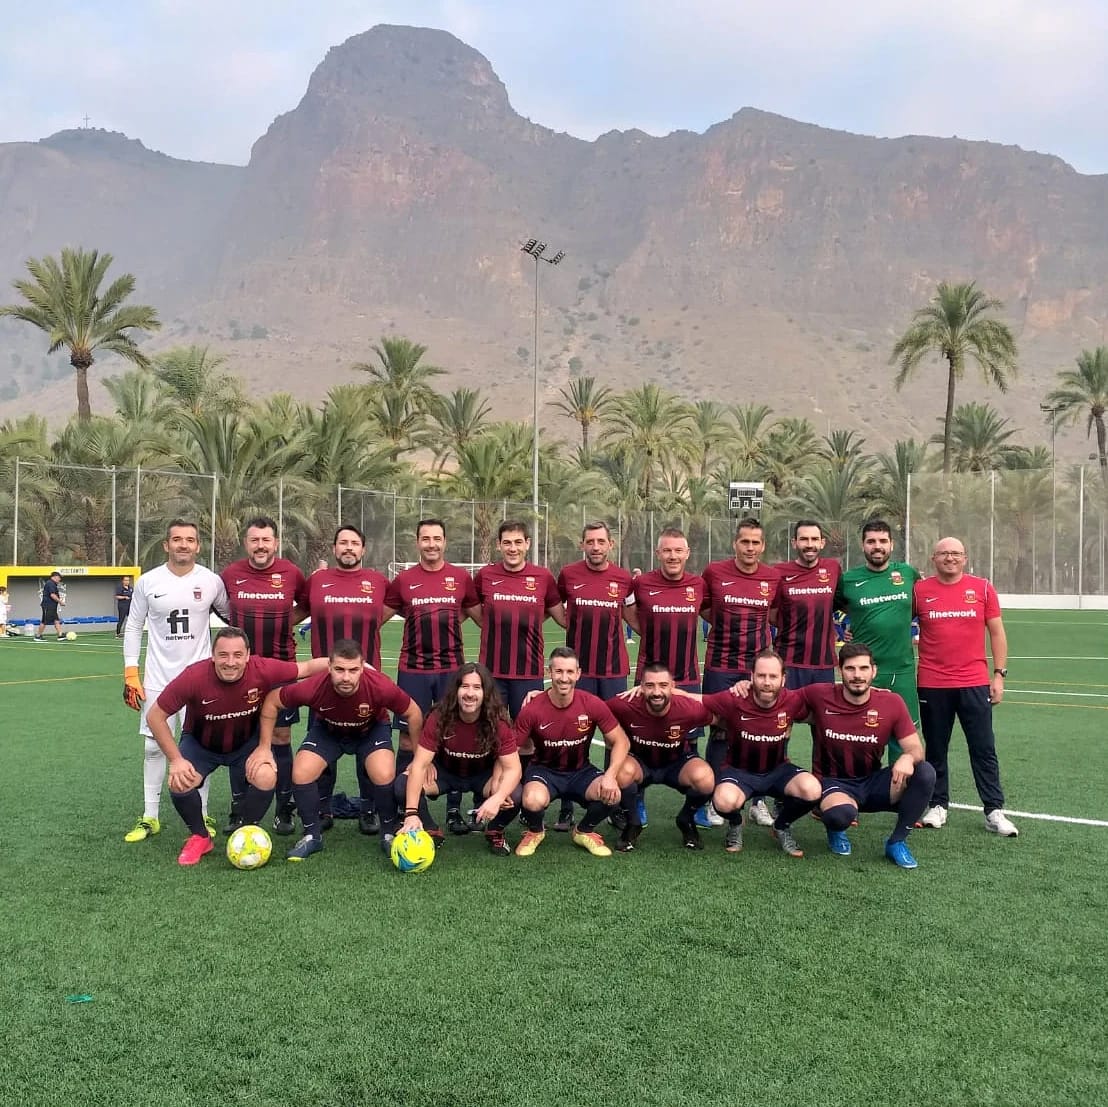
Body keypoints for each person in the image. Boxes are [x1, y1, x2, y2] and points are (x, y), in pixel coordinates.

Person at [145, 627, 327, 865]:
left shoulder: (262, 669)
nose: (230, 662)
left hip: (245, 746)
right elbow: (154, 716)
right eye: (223, 655)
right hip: (201, 745)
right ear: (213, 655)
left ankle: (246, 829)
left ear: (248, 655)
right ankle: (200, 837)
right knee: (179, 782)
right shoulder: (194, 677)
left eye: (237, 655)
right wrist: (176, 760)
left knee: (266, 775)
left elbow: (305, 668)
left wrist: (355, 665)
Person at [258, 638, 422, 862]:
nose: (346, 677)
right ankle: (311, 836)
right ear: (329, 668)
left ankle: (387, 833)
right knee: (301, 772)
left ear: (362, 668)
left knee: (383, 773)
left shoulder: (379, 685)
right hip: (329, 731)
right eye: (339, 669)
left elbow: (413, 713)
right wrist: (264, 748)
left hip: (369, 731)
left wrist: (418, 758)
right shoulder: (313, 686)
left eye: (353, 670)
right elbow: (272, 702)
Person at [122, 520, 229, 843]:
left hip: (201, 682)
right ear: (166, 545)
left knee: (201, 747)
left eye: (190, 540)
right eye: (177, 540)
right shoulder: (148, 581)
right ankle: (150, 816)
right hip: (158, 679)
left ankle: (203, 812)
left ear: (198, 546)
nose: (183, 545)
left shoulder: (211, 581)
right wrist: (130, 672)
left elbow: (231, 617)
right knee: (153, 746)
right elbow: (132, 626)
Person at [914, 538, 1019, 837]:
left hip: (973, 683)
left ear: (965, 557)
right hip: (932, 683)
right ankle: (938, 805)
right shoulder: (920, 591)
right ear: (933, 558)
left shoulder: (983, 588)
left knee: (984, 748)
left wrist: (999, 675)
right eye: (944, 553)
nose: (950, 558)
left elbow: (997, 633)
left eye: (956, 553)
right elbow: (899, 623)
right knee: (936, 748)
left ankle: (993, 810)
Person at [384, 518, 478, 834]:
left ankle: (454, 811)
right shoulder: (403, 580)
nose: (431, 544)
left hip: (452, 669)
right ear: (417, 542)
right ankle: (406, 807)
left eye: (437, 538)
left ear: (445, 542)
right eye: (426, 539)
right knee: (409, 736)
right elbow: (378, 617)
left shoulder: (461, 578)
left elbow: (479, 615)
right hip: (413, 670)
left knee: (455, 734)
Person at [805, 643, 935, 868]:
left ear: (874, 671)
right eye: (851, 669)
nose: (857, 675)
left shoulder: (891, 702)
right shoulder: (820, 694)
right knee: (840, 815)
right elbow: (779, 701)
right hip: (834, 783)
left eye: (864, 668)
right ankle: (835, 829)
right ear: (840, 670)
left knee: (925, 772)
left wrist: (907, 757)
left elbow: (916, 748)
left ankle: (896, 842)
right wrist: (747, 685)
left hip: (872, 782)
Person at [221, 516, 309, 835]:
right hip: (239, 671)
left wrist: (286, 621)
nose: (260, 546)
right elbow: (221, 609)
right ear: (246, 543)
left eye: (266, 540)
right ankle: (239, 806)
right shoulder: (231, 575)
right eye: (254, 540)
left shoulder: (291, 573)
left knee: (281, 737)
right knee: (239, 738)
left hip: (281, 668)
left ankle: (284, 807)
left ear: (275, 543)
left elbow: (308, 603)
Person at [304, 524, 391, 832]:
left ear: (363, 550)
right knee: (322, 742)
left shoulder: (378, 582)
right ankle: (323, 808)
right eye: (343, 542)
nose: (349, 548)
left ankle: (369, 810)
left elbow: (391, 610)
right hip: (324, 683)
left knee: (368, 747)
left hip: (367, 682)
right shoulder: (316, 581)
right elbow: (298, 610)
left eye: (355, 543)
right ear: (334, 548)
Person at [700, 517, 781, 827]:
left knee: (760, 731)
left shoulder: (772, 578)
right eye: (744, 541)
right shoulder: (715, 572)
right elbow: (705, 609)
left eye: (755, 542)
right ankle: (715, 798)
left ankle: (757, 800)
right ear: (735, 543)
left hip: (757, 668)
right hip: (720, 664)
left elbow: (774, 614)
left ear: (763, 546)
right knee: (720, 730)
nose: (750, 547)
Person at [512, 647, 630, 858]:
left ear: (578, 673)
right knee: (531, 799)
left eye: (569, 672)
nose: (564, 678)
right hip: (544, 772)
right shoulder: (532, 708)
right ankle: (535, 831)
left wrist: (610, 776)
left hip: (580, 772)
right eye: (558, 672)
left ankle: (584, 831)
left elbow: (621, 741)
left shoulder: (592, 704)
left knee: (613, 795)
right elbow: (511, 750)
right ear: (549, 673)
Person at [624, 527, 706, 827]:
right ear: (658, 553)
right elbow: (628, 611)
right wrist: (648, 632)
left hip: (687, 675)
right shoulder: (643, 582)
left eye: (678, 550)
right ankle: (638, 800)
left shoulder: (698, 584)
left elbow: (708, 611)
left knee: (692, 742)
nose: (673, 556)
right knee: (640, 738)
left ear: (687, 553)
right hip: (649, 676)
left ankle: (694, 806)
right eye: (667, 550)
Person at [554, 521, 634, 830]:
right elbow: (557, 608)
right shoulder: (569, 575)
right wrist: (571, 626)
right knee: (571, 735)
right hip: (578, 673)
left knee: (615, 738)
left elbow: (630, 616)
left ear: (610, 545)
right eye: (591, 541)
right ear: (582, 544)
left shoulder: (623, 579)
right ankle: (566, 804)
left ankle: (612, 799)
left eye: (601, 541)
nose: (596, 547)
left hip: (613, 670)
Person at [397, 663, 523, 857]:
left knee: (514, 794)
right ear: (455, 690)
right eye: (464, 686)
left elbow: (514, 768)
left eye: (476, 687)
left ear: (486, 692)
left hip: (482, 776)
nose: (469, 693)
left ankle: (495, 830)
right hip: (445, 773)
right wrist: (411, 813)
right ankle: (430, 829)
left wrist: (497, 798)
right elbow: (420, 765)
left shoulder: (498, 720)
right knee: (402, 785)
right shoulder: (440, 716)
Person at [834, 518, 921, 760]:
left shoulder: (907, 574)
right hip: (861, 672)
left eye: (883, 541)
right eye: (871, 541)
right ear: (863, 546)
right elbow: (832, 608)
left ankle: (900, 795)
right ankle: (856, 790)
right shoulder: (849, 580)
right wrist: (847, 632)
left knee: (903, 738)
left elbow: (917, 607)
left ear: (892, 545)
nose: (877, 546)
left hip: (901, 669)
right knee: (859, 734)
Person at [606, 662, 715, 852]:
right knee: (620, 772)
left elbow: (720, 716)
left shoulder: (688, 707)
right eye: (650, 686)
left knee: (706, 779)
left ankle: (686, 819)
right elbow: (592, 711)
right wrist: (538, 696)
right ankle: (633, 823)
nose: (657, 692)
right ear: (640, 687)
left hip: (676, 764)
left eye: (663, 685)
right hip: (641, 764)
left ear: (673, 686)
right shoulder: (625, 704)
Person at [470, 520, 564, 719]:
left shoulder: (543, 577)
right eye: (507, 543)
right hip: (491, 673)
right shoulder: (485, 575)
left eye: (518, 542)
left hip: (529, 673)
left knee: (527, 735)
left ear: (527, 543)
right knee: (491, 729)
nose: (513, 548)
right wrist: (491, 621)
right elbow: (471, 608)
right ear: (499, 544)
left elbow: (561, 617)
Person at [772, 521, 841, 688]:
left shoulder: (833, 568)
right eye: (804, 539)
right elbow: (771, 614)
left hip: (823, 663)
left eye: (814, 539)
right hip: (789, 662)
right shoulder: (778, 572)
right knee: (788, 714)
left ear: (822, 543)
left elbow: (841, 602)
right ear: (794, 542)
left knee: (822, 714)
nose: (810, 545)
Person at [35, 570, 65, 641]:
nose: (60, 579)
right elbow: (52, 595)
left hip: (52, 606)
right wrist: (60, 602)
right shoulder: (50, 583)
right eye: (59, 577)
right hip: (48, 605)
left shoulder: (53, 584)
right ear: (54, 577)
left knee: (56, 620)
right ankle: (38, 636)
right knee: (44, 621)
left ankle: (60, 635)